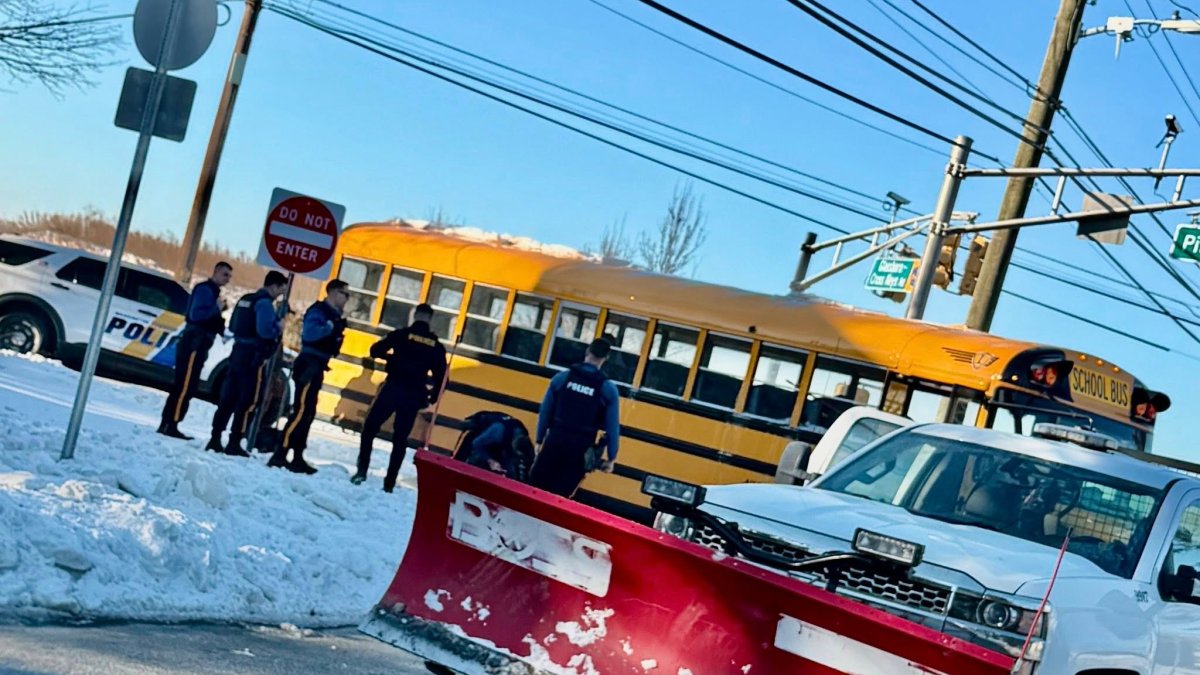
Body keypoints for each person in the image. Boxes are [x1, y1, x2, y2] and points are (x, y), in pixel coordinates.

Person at [351, 303, 446, 492]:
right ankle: (389, 482)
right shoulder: (435, 345)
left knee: (370, 427)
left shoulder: (401, 335)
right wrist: (431, 397)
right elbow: (442, 377)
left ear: (415, 315)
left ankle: (362, 471)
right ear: (429, 319)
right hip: (413, 394)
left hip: (392, 388)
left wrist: (391, 358)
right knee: (400, 439)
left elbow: (375, 350)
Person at [268, 280, 349, 474]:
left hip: (318, 365)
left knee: (309, 413)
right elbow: (311, 334)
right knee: (301, 411)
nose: (347, 298)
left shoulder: (334, 315)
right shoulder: (320, 312)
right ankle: (280, 453)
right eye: (344, 294)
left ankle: (297, 455)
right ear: (332, 293)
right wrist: (329, 328)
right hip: (309, 365)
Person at [206, 271, 288, 457]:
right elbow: (266, 331)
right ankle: (234, 442)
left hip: (237, 352)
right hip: (254, 356)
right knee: (248, 400)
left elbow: (233, 325)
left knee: (227, 398)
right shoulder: (264, 303)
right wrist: (279, 327)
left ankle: (215, 437)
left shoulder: (245, 299)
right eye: (281, 289)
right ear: (274, 286)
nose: (280, 294)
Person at [528, 338, 620, 498]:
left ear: (587, 351)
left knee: (535, 489)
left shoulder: (562, 378)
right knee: (561, 497)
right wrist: (611, 458)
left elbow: (545, 411)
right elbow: (613, 428)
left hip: (555, 439)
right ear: (606, 358)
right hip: (581, 447)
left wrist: (539, 439)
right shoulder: (607, 389)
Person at [158, 262, 233, 439]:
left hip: (200, 342)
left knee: (185, 384)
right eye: (224, 274)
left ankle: (169, 423)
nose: (227, 279)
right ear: (215, 272)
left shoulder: (212, 291)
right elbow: (196, 315)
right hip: (194, 342)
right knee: (185, 385)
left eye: (229, 276)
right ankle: (171, 423)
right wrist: (217, 309)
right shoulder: (205, 290)